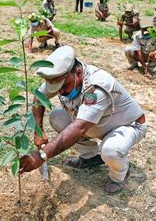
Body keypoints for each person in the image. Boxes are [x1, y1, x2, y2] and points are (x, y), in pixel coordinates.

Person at [19, 46, 148, 195]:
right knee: (56, 117)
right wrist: (38, 130)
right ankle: (91, 157)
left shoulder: (97, 87)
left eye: (63, 87)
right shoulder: (61, 77)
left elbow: (79, 127)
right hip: (96, 124)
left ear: (78, 73)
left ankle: (120, 175)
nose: (60, 92)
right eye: (56, 88)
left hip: (128, 126)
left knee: (111, 150)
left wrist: (42, 155)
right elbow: (39, 97)